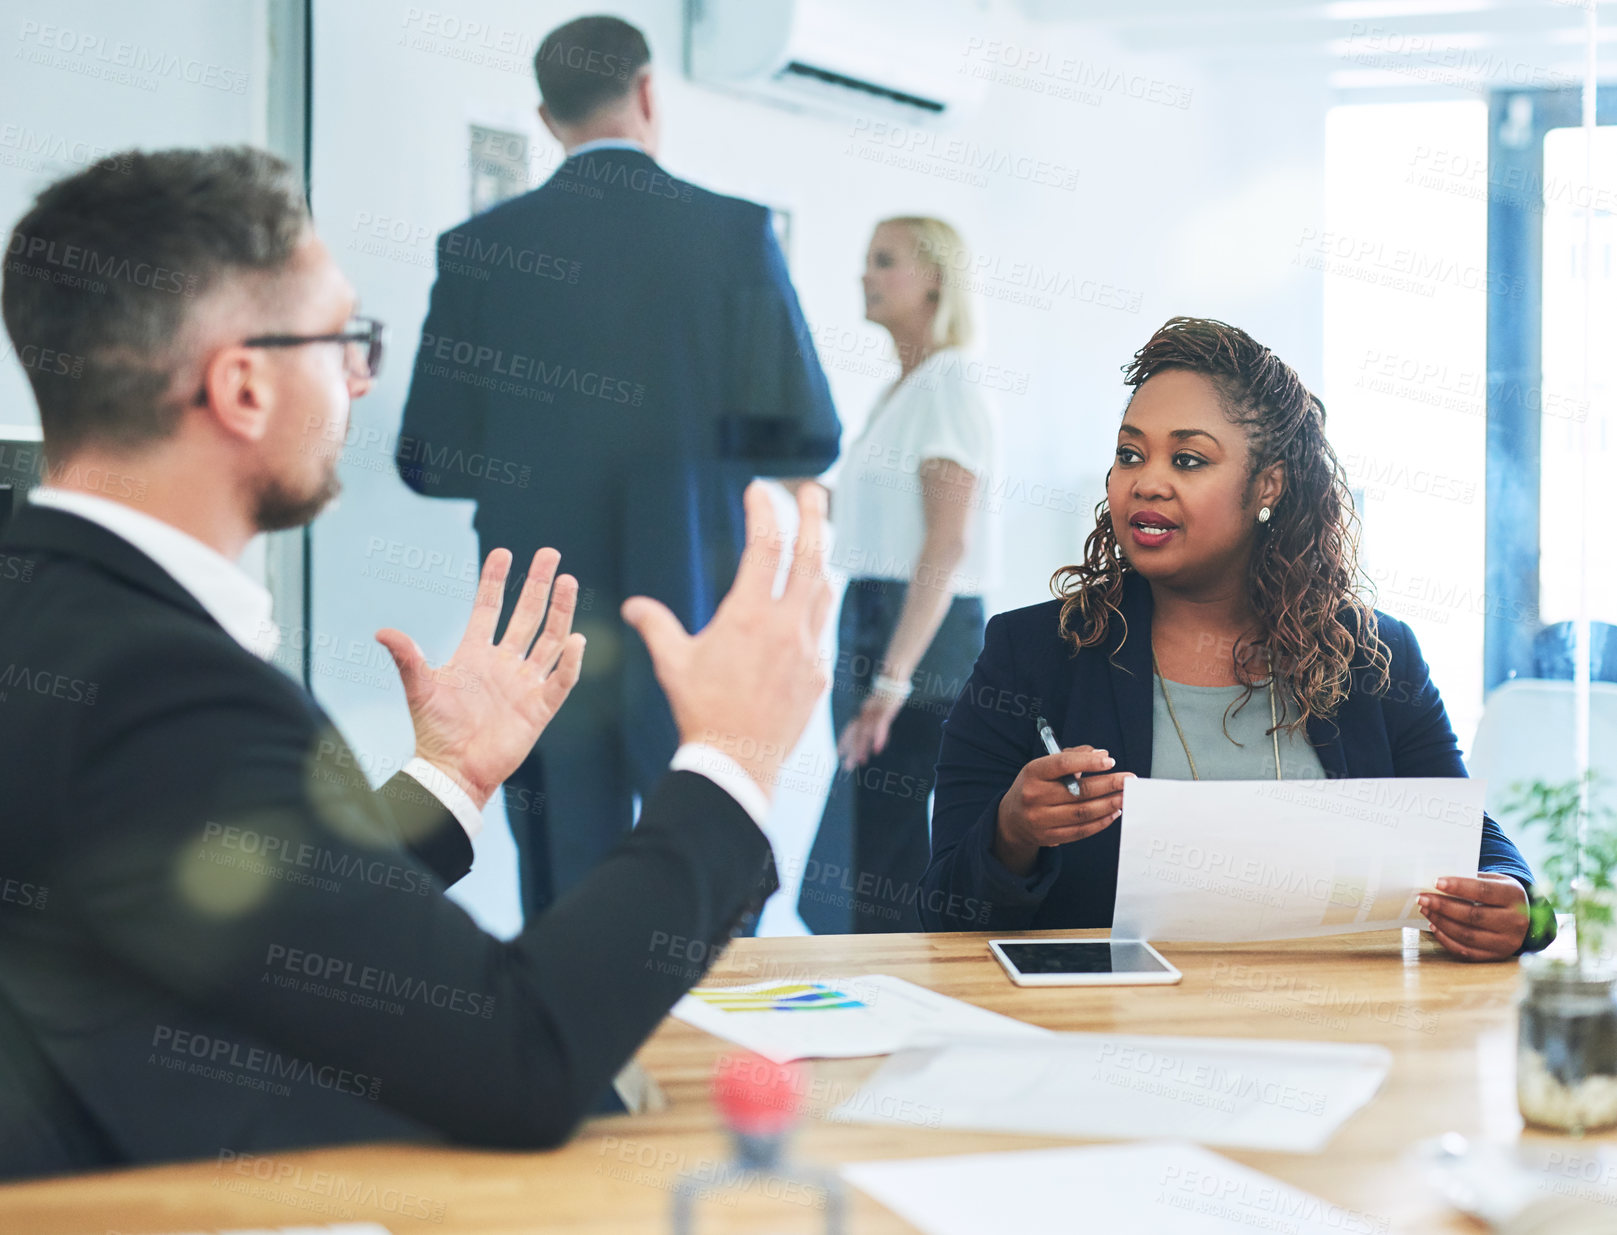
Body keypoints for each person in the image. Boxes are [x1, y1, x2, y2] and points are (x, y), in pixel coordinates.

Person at [0, 146, 833, 1179]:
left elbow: (263, 924)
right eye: (344, 338)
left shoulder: (59, 613)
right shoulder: (156, 683)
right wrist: (731, 761)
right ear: (244, 384)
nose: (359, 375)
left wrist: (448, 777)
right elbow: (516, 1059)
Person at [921, 316, 1553, 961]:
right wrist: (1012, 831)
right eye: (1129, 454)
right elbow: (941, 908)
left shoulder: (1372, 656)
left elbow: (1473, 845)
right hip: (1107, 1038)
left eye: (1188, 459)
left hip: (1339, 1036)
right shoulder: (1030, 653)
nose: (1146, 481)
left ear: (1267, 487)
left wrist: (1521, 906)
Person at [396, 15, 840, 923]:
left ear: (545, 116)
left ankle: (578, 1068)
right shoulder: (733, 235)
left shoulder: (479, 250)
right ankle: (713, 1055)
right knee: (712, 851)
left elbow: (426, 460)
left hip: (539, 623)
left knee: (565, 885)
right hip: (694, 604)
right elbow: (810, 437)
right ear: (646, 94)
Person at [798, 217, 998, 933]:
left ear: (935, 278)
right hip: (873, 618)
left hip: (918, 642)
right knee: (875, 865)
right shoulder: (903, 390)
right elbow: (860, 509)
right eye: (865, 260)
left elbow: (945, 545)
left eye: (884, 261)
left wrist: (891, 682)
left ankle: (893, 1020)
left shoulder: (948, 385)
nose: (865, 275)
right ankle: (897, 1016)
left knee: (853, 881)